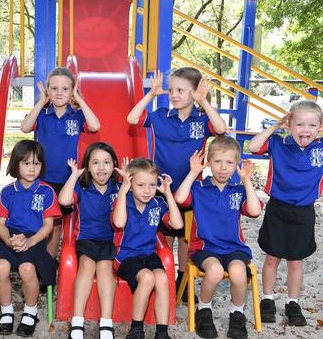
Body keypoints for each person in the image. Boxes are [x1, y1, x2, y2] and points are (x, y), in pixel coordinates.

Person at [248, 100, 323, 326]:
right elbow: (252, 147)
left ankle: (293, 302)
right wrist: (274, 127)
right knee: (271, 257)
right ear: (290, 125)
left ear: (319, 127)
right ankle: (268, 299)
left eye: (312, 125)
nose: (305, 130)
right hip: (277, 209)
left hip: (304, 212)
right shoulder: (279, 144)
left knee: (296, 261)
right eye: (299, 124)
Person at [127, 68, 227, 302]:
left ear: (195, 92)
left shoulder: (202, 120)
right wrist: (151, 95)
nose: (173, 94)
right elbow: (132, 118)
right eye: (171, 90)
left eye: (180, 90)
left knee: (186, 237)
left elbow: (221, 129)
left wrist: (204, 102)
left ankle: (183, 278)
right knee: (166, 235)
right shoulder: (161, 115)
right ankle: (166, 272)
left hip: (191, 190)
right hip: (161, 188)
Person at [174, 137, 263, 339]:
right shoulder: (199, 188)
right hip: (205, 249)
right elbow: (179, 199)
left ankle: (237, 314)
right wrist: (193, 172)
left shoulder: (238, 191)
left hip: (233, 248)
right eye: (218, 162)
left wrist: (246, 181)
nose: (223, 168)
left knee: (239, 273)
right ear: (209, 162)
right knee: (214, 271)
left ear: (237, 164)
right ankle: (204, 311)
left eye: (230, 162)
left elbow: (255, 211)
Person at [20, 67, 100, 258]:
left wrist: (79, 99)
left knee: (57, 226)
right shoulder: (43, 114)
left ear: (72, 91)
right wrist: (41, 102)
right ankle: (35, 258)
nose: (59, 93)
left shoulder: (76, 115)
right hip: (42, 177)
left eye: (65, 89)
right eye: (54, 88)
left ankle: (49, 261)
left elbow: (96, 126)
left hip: (66, 179)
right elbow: (24, 127)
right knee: (40, 222)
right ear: (48, 90)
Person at [0, 140, 61, 337]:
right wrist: (9, 241)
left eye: (36, 164)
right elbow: (1, 225)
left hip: (36, 239)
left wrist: (29, 242)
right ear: (16, 164)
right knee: (1, 267)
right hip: (10, 237)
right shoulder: (7, 192)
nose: (32, 169)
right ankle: (7, 311)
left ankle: (30, 311)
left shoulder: (47, 191)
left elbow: (48, 226)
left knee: (27, 268)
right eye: (26, 163)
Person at [113, 158, 183, 339]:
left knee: (161, 277)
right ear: (131, 184)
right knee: (147, 277)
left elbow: (177, 224)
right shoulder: (123, 201)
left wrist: (168, 194)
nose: (147, 190)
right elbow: (119, 222)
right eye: (141, 185)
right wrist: (123, 189)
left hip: (148, 254)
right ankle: (136, 329)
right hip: (125, 256)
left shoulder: (158, 204)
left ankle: (162, 332)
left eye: (152, 185)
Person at [58, 142, 121, 339]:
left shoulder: (118, 188)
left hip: (110, 240)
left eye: (106, 162)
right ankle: (77, 321)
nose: (101, 168)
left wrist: (127, 182)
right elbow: (64, 200)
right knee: (86, 265)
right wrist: (74, 175)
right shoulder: (82, 187)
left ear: (115, 166)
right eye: (95, 162)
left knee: (105, 268)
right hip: (86, 239)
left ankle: (106, 322)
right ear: (87, 166)